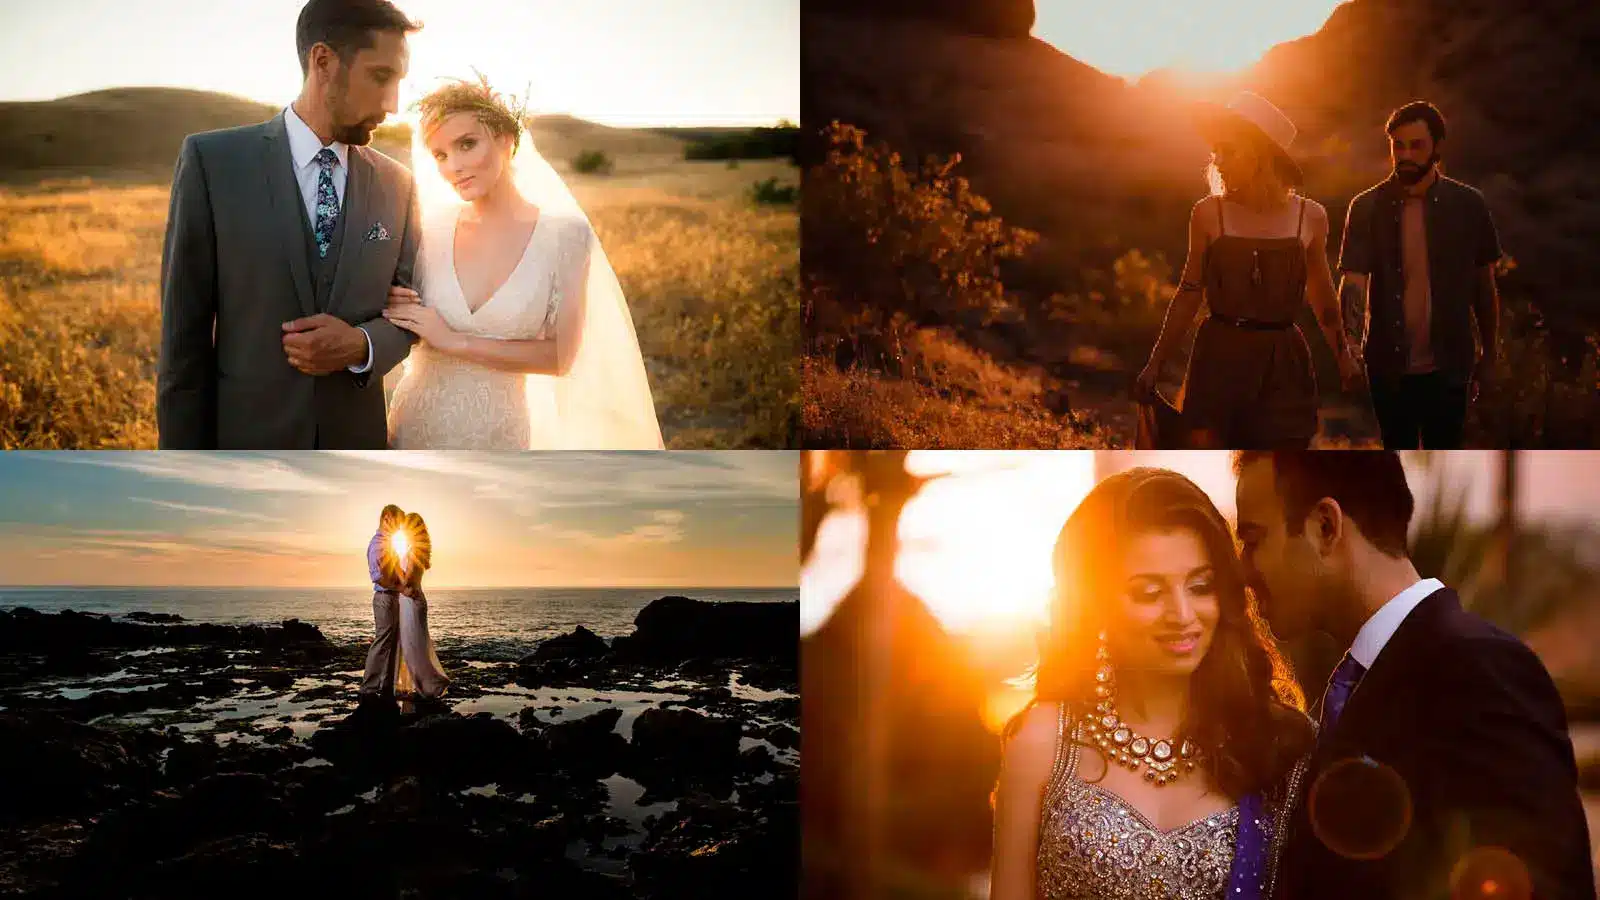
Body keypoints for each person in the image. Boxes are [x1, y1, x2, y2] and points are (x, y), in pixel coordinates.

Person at [1232, 451, 1594, 900]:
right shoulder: (1365, 679)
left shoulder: (1476, 671)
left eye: (1253, 539)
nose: (1243, 569)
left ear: (1325, 526)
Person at [992, 468, 1316, 900]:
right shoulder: (1043, 743)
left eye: (1200, 586)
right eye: (1148, 593)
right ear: (1095, 604)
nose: (1182, 614)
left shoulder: (1278, 747)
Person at [157, 0, 423, 448]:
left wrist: (362, 344)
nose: (394, 104)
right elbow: (184, 342)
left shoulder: (400, 185)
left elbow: (412, 313)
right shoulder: (213, 163)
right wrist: (185, 470)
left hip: (357, 454)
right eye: (381, 76)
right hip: (247, 453)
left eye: (398, 82)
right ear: (323, 61)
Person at [382, 76, 663, 449]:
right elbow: (397, 313)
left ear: (506, 140)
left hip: (500, 435)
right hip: (415, 425)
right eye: (440, 155)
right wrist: (397, 308)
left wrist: (455, 342)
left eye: (467, 144)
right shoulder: (427, 229)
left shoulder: (566, 237)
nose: (454, 167)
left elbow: (560, 357)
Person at [1136, 93, 1361, 450]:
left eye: (1230, 151)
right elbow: (1188, 292)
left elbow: (1322, 295)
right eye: (1216, 153)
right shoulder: (1209, 213)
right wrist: (1155, 364)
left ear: (1260, 155)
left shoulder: (1311, 216)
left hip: (1282, 361)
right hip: (1219, 357)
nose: (1219, 162)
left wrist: (1343, 358)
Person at [1336, 101, 1503, 449]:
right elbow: (1353, 282)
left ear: (1437, 147)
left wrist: (1490, 354)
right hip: (1388, 368)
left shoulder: (1468, 205)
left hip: (1450, 366)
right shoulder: (1366, 207)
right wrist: (1348, 348)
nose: (1405, 155)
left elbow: (1483, 286)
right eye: (1398, 145)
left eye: (1416, 145)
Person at [390, 511, 449, 699]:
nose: (403, 530)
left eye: (406, 527)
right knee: (412, 645)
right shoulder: (412, 549)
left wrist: (394, 565)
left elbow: (408, 581)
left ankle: (431, 684)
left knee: (414, 646)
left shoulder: (415, 551)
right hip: (408, 601)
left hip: (412, 602)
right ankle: (419, 685)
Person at [359, 503, 407, 700]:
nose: (398, 529)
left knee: (393, 642)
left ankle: (387, 685)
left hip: (392, 597)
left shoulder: (387, 543)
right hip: (384, 598)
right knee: (382, 641)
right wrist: (401, 588)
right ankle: (369, 687)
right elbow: (378, 577)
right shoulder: (378, 544)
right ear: (387, 517)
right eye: (397, 523)